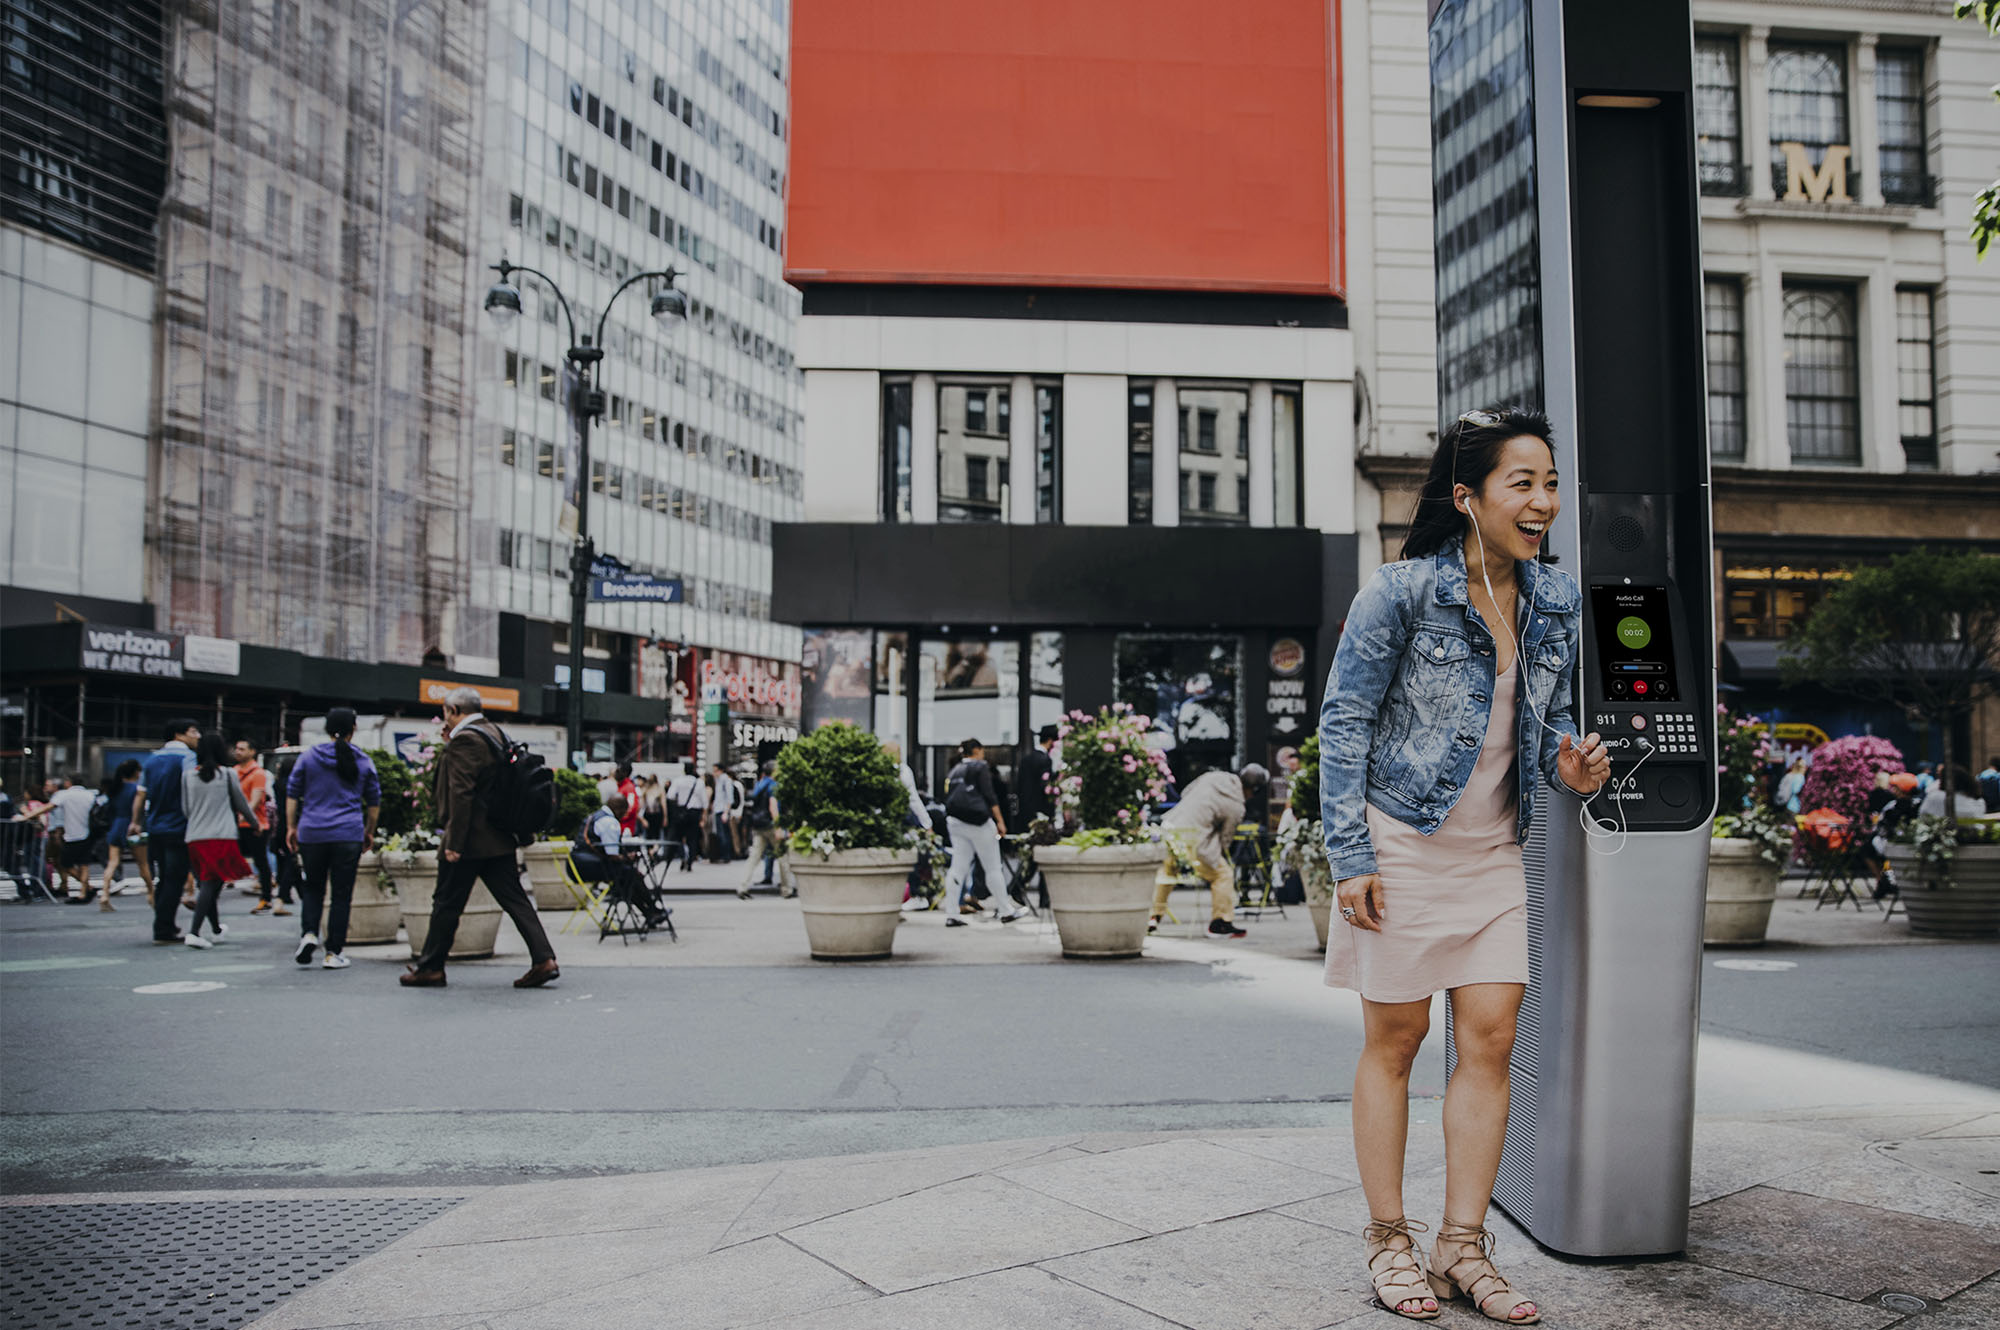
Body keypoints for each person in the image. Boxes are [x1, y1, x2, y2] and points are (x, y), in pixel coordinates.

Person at [1319, 406, 1609, 1323]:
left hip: (1493, 850)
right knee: (1396, 1043)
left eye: (1550, 483)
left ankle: (1461, 1246)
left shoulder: (1558, 598)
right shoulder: (1402, 592)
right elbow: (1344, 723)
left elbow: (1545, 716)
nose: (1542, 501)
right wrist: (1351, 854)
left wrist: (1570, 762)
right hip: (1400, 841)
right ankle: (1388, 1240)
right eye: (1522, 483)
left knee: (1487, 1042)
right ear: (1468, 497)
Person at [402, 686, 560, 989]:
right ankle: (544, 958)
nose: (444, 720)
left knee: (446, 901)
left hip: (471, 839)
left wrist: (454, 842)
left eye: (446, 713)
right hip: (499, 836)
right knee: (515, 899)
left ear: (454, 711)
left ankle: (431, 967)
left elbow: (461, 793)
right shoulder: (494, 733)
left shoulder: (467, 740)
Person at [287, 708, 381, 969]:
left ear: (327, 729)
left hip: (312, 832)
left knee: (312, 888)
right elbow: (373, 802)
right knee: (341, 894)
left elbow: (292, 794)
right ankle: (333, 953)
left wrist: (291, 827)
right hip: (347, 833)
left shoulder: (308, 757)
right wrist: (368, 830)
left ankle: (308, 934)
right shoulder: (362, 760)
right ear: (353, 730)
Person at [1150, 763, 1265, 939]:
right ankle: (1221, 923)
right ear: (1253, 790)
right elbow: (1226, 838)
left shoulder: (1215, 777)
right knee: (1223, 874)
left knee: (1166, 873)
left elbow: (1186, 792)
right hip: (1195, 840)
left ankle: (1153, 916)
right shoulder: (1236, 806)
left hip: (1171, 828)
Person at [181, 732, 255, 948]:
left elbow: (185, 809)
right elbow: (240, 803)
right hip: (221, 835)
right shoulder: (227, 774)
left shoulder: (188, 776)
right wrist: (255, 824)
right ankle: (194, 932)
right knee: (211, 884)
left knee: (208, 883)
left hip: (195, 836)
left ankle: (215, 929)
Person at [942, 738, 1024, 924]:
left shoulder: (955, 770)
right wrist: (1000, 821)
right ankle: (1005, 910)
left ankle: (952, 913)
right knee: (993, 867)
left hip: (955, 822)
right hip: (979, 822)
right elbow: (989, 795)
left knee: (958, 867)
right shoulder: (980, 767)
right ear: (977, 750)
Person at [135, 718, 202, 944]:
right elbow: (192, 788)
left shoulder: (152, 759)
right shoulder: (188, 758)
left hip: (155, 826)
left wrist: (135, 821)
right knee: (175, 878)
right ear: (178, 734)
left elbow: (141, 793)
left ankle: (165, 924)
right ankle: (163, 928)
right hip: (179, 825)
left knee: (164, 877)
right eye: (193, 731)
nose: (198, 736)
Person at [572, 794, 668, 929]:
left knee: (627, 878)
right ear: (618, 809)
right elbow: (612, 854)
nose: (624, 815)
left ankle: (650, 912)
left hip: (579, 865)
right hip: (589, 866)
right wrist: (628, 857)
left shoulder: (595, 816)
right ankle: (652, 909)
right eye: (624, 812)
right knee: (631, 875)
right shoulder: (609, 822)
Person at [233, 739, 283, 912]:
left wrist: (241, 818)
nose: (237, 752)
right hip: (238, 823)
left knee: (261, 860)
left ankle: (267, 897)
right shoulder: (233, 772)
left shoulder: (258, 773)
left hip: (256, 825)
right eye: (237, 749)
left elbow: (254, 801)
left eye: (242, 749)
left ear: (252, 752)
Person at [738, 760, 794, 898]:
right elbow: (773, 806)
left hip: (758, 825)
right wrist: (778, 826)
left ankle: (742, 886)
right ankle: (787, 889)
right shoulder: (773, 785)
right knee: (783, 857)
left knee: (754, 857)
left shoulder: (760, 784)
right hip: (770, 826)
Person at [100, 760, 153, 907]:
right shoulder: (138, 790)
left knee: (112, 862)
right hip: (134, 826)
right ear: (136, 772)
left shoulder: (114, 789)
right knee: (143, 864)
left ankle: (105, 894)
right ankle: (151, 893)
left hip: (117, 826)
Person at [48, 774, 100, 904]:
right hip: (89, 833)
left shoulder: (64, 795)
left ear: (68, 782)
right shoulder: (90, 795)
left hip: (72, 834)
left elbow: (49, 807)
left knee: (65, 863)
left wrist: (27, 816)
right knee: (84, 864)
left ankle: (87, 888)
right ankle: (84, 891)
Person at [1016, 725, 1058, 828]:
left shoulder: (1026, 758)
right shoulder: (1045, 760)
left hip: (1025, 808)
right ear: (1050, 741)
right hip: (1041, 809)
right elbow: (1045, 786)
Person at [665, 765, 701, 869]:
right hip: (694, 812)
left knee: (678, 837)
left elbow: (670, 795)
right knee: (693, 838)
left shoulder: (678, 781)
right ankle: (690, 861)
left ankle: (682, 857)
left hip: (681, 812)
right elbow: (704, 801)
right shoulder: (698, 782)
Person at [707, 764, 739, 863]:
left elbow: (730, 798)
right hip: (718, 810)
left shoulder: (726, 781)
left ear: (720, 771)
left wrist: (726, 812)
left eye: (715, 771)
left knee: (723, 834)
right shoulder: (719, 781)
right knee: (722, 833)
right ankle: (724, 855)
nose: (714, 773)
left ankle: (726, 855)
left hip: (722, 811)